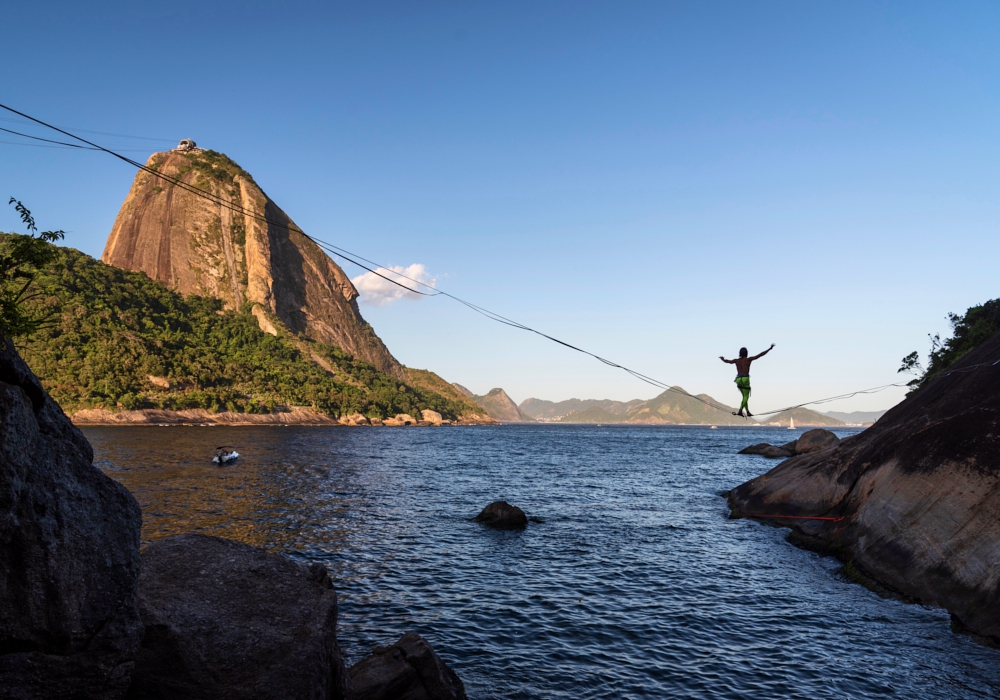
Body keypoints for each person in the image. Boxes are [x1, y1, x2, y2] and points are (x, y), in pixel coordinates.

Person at [720, 344, 775, 417]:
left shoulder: (736, 361)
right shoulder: (748, 359)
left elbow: (728, 361)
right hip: (745, 378)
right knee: (746, 397)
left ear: (740, 353)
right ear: (746, 353)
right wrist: (769, 349)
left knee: (744, 397)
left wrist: (723, 359)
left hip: (738, 380)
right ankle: (740, 410)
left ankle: (748, 412)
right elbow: (760, 355)